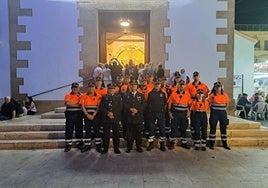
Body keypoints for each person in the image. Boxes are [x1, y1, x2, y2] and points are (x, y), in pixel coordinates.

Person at [123, 80, 146, 153]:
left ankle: (138, 146)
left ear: (137, 86)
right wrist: (130, 109)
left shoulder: (141, 95)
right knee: (129, 133)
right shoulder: (126, 95)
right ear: (130, 86)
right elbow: (124, 104)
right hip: (129, 117)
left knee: (139, 133)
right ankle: (129, 147)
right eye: (132, 85)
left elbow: (144, 105)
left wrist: (137, 110)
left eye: (135, 85)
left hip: (138, 117)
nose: (133, 86)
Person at [99, 83, 122, 154]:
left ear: (115, 89)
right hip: (106, 118)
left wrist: (113, 113)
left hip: (115, 118)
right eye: (110, 89)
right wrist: (108, 113)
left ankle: (116, 148)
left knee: (116, 134)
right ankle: (105, 148)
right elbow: (102, 107)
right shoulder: (104, 97)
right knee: (106, 134)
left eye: (112, 88)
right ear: (107, 89)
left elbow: (120, 107)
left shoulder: (118, 97)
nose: (111, 90)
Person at [168, 80, 191, 150]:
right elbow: (169, 105)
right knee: (173, 128)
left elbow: (189, 105)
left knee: (183, 129)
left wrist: (189, 112)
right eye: (180, 85)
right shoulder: (173, 94)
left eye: (182, 85)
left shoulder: (187, 94)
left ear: (184, 86)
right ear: (178, 86)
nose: (181, 86)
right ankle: (172, 143)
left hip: (183, 114)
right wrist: (169, 113)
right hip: (175, 113)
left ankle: (184, 143)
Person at [79, 82, 102, 153]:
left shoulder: (99, 96)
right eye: (90, 87)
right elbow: (82, 106)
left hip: (95, 116)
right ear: (88, 88)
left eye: (92, 87)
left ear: (95, 88)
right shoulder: (83, 96)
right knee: (87, 131)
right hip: (87, 115)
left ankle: (98, 147)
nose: (91, 88)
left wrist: (94, 115)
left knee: (97, 131)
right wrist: (87, 115)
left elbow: (98, 107)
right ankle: (87, 146)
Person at [208, 81, 230, 150]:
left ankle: (224, 143)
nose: (218, 88)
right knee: (213, 128)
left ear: (221, 87)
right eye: (217, 87)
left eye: (219, 87)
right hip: (214, 113)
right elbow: (208, 103)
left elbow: (227, 104)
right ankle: (211, 143)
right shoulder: (212, 95)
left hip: (222, 113)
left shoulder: (225, 95)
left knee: (223, 128)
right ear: (214, 88)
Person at [146, 80, 167, 151]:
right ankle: (151, 144)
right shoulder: (150, 93)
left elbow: (165, 103)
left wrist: (163, 111)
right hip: (152, 114)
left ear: (160, 85)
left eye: (158, 84)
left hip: (161, 114)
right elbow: (148, 103)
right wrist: (150, 110)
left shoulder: (163, 93)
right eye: (156, 84)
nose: (157, 85)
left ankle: (162, 145)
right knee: (151, 129)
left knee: (162, 129)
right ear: (154, 85)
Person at [63, 83, 84, 152]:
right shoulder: (67, 95)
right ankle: (68, 145)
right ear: (71, 88)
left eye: (76, 87)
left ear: (79, 88)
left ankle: (79, 143)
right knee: (69, 129)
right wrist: (77, 102)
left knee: (79, 128)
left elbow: (81, 104)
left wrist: (72, 103)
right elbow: (67, 103)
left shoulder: (82, 95)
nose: (75, 89)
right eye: (73, 87)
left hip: (78, 114)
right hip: (70, 114)